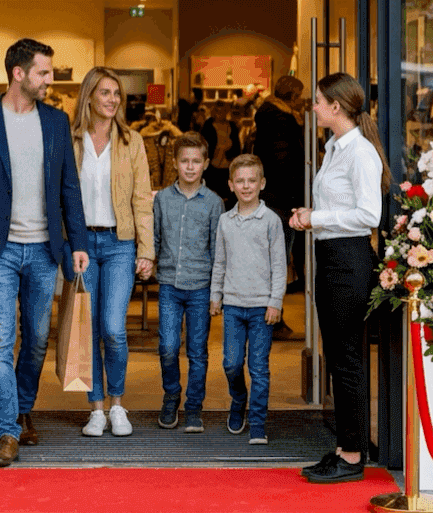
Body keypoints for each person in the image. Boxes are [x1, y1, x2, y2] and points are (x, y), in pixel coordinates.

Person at [0, 38, 90, 468]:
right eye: (44, 72)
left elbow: (69, 187)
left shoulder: (57, 121)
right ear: (19, 73)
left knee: (37, 341)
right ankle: (7, 430)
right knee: (0, 342)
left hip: (45, 250)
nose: (50, 80)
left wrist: (78, 242)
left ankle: (23, 406)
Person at [290, 72, 392, 484]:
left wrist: (317, 218)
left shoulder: (359, 152)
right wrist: (312, 218)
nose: (313, 106)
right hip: (332, 255)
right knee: (338, 355)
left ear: (336, 106)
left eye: (318, 100)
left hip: (349, 260)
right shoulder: (334, 147)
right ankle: (345, 447)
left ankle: (352, 455)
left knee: (347, 358)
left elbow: (369, 215)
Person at [71, 67, 155, 438]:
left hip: (120, 243)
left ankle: (118, 404)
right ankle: (96, 409)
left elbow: (142, 199)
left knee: (113, 328)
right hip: (82, 246)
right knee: (88, 329)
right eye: (105, 92)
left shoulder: (131, 141)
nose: (112, 99)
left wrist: (146, 249)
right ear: (89, 96)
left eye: (116, 93)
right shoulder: (72, 139)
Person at [211, 154, 286, 446]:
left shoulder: (271, 221)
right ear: (231, 185)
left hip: (261, 308)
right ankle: (238, 397)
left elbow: (279, 264)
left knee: (258, 367)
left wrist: (275, 301)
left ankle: (257, 421)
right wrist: (216, 295)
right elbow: (219, 261)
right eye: (240, 181)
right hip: (232, 305)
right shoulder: (225, 221)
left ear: (262, 183)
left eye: (251, 180)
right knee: (231, 363)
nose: (246, 186)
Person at [153, 131, 225, 433]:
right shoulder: (162, 199)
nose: (190, 167)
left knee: (197, 351)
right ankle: (171, 396)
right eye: (185, 161)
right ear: (175, 163)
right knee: (168, 346)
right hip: (169, 284)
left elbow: (218, 250)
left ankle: (194, 406)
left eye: (196, 161)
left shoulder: (214, 203)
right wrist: (147, 263)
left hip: (200, 287)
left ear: (206, 163)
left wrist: (217, 292)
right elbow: (156, 238)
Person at [255, 75, 308, 317]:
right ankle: (272, 315)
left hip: (274, 193)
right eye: (300, 96)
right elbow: (283, 161)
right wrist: (296, 192)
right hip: (283, 196)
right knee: (279, 256)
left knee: (275, 255)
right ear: (292, 97)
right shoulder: (281, 121)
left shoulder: (273, 116)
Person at [201, 101, 241, 207]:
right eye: (217, 111)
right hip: (212, 167)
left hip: (228, 166)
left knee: (228, 197)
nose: (220, 114)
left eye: (223, 111)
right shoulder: (208, 126)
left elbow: (237, 147)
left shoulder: (232, 126)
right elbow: (203, 147)